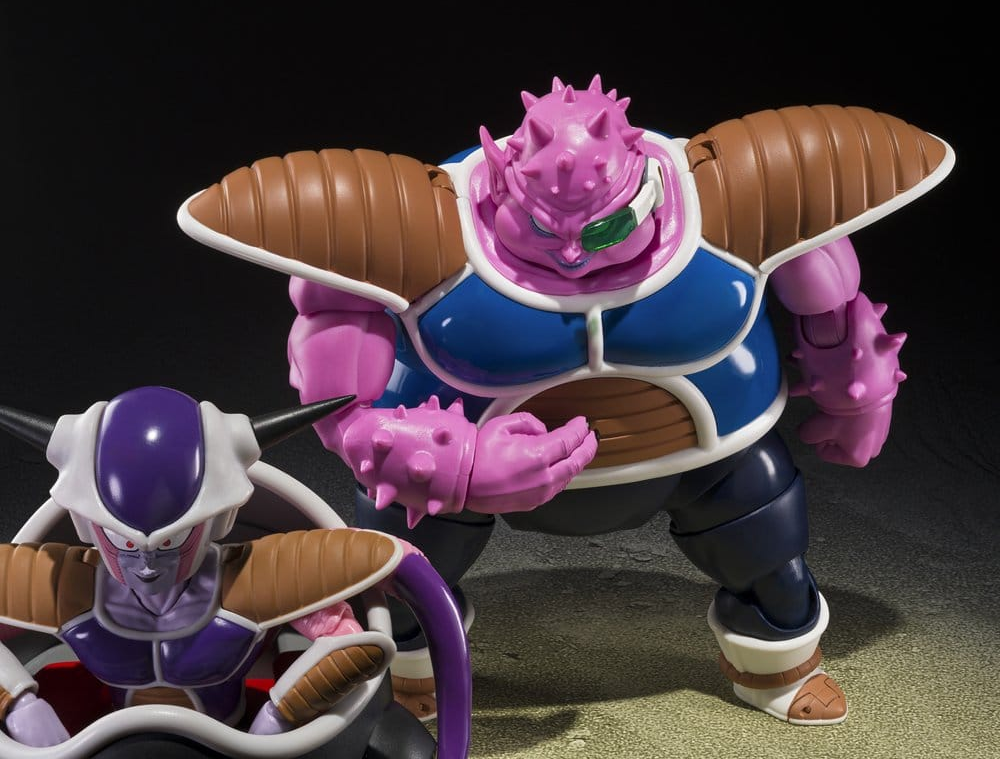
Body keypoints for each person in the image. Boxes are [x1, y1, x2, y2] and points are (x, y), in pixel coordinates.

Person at [177, 75, 954, 725]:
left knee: (769, 541)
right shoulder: (415, 231)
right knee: (397, 570)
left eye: (606, 231)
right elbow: (340, 409)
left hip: (704, 453)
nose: (577, 256)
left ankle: (775, 663)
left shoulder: (734, 204)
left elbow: (833, 298)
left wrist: (858, 398)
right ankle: (411, 671)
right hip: (462, 465)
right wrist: (457, 465)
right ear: (500, 181)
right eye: (541, 232)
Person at [0, 386, 471, 757]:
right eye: (123, 543)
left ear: (218, 519)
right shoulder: (64, 587)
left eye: (171, 542)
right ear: (86, 524)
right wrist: (19, 702)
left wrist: (287, 710)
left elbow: (373, 611)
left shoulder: (257, 582)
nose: (145, 565)